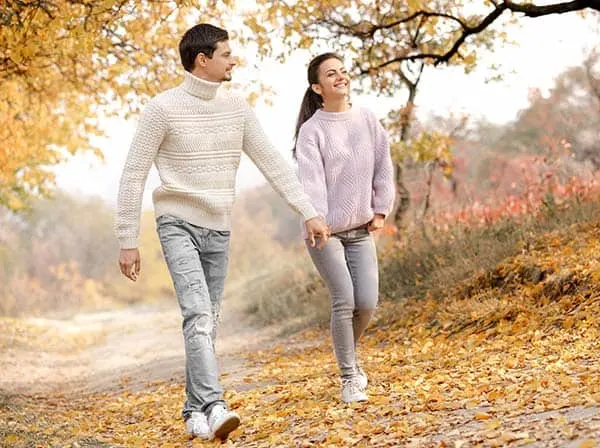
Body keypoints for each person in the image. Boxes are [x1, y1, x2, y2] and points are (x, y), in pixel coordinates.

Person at [114, 24, 329, 441]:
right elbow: (133, 174)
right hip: (176, 222)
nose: (234, 61)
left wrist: (308, 210)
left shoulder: (237, 109)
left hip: (219, 227)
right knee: (197, 313)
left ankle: (192, 408)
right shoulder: (162, 109)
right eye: (227, 54)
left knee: (207, 320)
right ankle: (214, 405)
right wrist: (127, 238)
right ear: (203, 59)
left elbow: (272, 162)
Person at [293, 53, 395, 403]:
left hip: (360, 230)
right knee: (344, 300)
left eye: (343, 72)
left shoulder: (366, 119)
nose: (341, 77)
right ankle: (349, 377)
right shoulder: (312, 131)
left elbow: (384, 165)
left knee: (366, 303)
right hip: (325, 232)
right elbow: (311, 182)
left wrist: (380, 208)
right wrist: (317, 218)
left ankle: (345, 353)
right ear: (317, 87)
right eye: (330, 74)